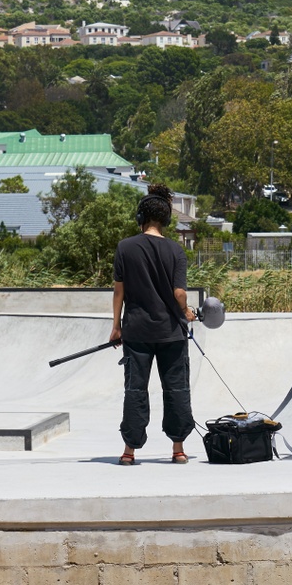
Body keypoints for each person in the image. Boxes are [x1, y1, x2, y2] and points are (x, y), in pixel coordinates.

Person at [110, 184, 196, 466]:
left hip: (137, 332)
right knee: (177, 390)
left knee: (135, 391)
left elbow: (118, 292)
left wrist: (116, 327)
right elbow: (179, 293)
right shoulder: (175, 251)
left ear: (140, 217)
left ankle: (129, 451)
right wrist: (186, 311)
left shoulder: (125, 247)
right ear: (166, 219)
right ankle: (178, 450)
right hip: (171, 333)